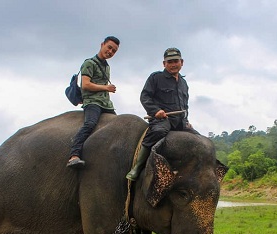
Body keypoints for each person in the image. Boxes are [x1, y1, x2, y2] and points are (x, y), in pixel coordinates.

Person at [126, 47, 199, 180]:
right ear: (164, 64)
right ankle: (137, 167)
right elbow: (145, 97)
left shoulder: (183, 83)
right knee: (158, 132)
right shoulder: (156, 78)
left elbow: (185, 105)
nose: (173, 64)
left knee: (199, 140)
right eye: (169, 62)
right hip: (162, 120)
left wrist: (186, 120)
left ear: (182, 62)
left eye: (175, 61)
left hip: (180, 121)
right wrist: (156, 111)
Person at [67, 36, 120, 168]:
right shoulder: (89, 63)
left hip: (106, 104)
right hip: (92, 102)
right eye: (109, 48)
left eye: (114, 51)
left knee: (118, 127)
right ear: (102, 44)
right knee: (90, 124)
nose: (110, 52)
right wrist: (106, 88)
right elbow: (85, 85)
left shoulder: (107, 67)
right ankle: (74, 154)